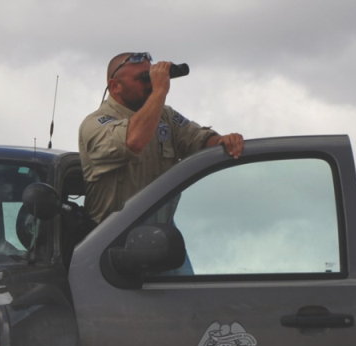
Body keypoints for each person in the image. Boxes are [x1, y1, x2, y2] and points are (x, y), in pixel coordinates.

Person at [78, 52, 244, 223]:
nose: (150, 84)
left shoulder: (165, 116)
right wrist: (160, 91)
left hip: (158, 239)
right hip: (108, 241)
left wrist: (222, 142)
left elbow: (198, 140)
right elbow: (133, 141)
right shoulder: (95, 124)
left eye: (151, 76)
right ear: (115, 87)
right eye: (144, 78)